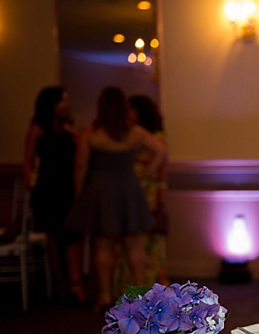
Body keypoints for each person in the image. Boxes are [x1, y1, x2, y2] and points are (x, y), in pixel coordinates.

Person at [66, 87, 167, 311]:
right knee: (134, 245)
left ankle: (104, 295)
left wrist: (79, 193)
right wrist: (145, 173)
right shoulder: (135, 133)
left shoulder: (91, 133)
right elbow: (160, 152)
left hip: (101, 189)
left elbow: (81, 166)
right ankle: (140, 296)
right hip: (129, 188)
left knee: (103, 245)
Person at [22, 86, 86, 304]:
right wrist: (28, 186)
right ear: (50, 104)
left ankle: (76, 284)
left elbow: (81, 154)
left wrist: (74, 135)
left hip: (69, 186)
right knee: (53, 235)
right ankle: (59, 283)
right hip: (48, 188)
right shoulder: (39, 128)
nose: (66, 105)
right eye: (62, 101)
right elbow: (28, 160)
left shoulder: (70, 128)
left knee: (72, 234)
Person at [111, 94, 169, 292]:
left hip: (147, 190)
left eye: (131, 110)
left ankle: (149, 284)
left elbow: (162, 164)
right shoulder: (131, 134)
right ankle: (128, 285)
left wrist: (152, 181)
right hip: (130, 189)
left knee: (146, 237)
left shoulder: (152, 136)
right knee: (128, 238)